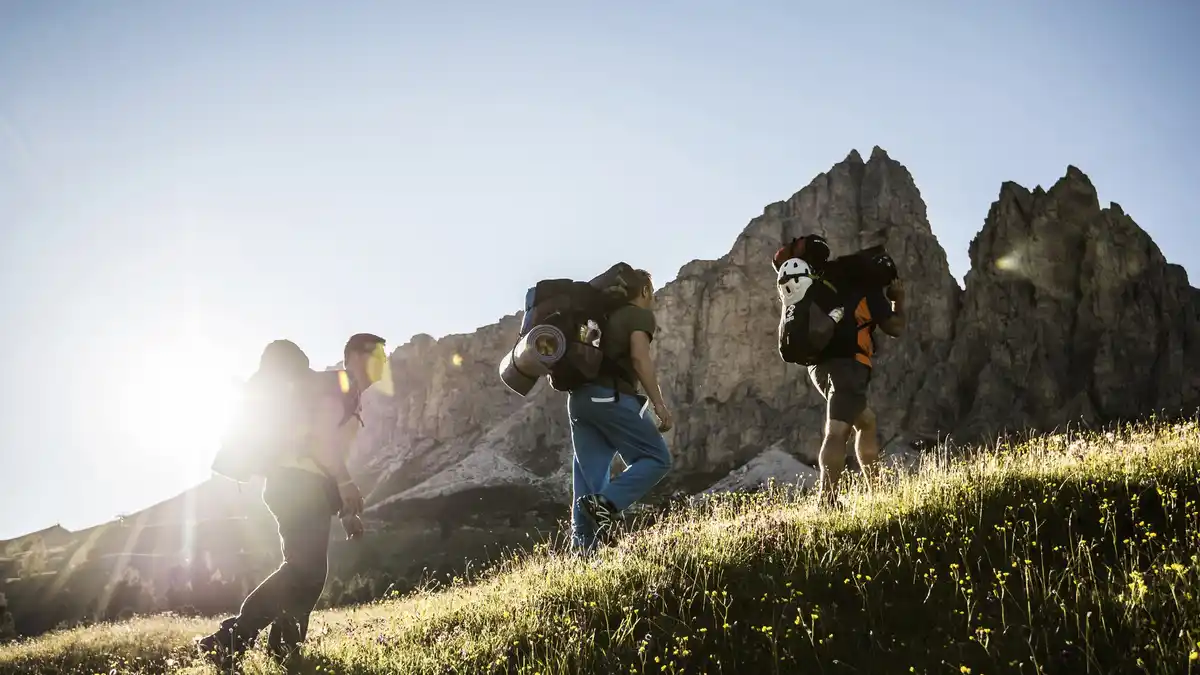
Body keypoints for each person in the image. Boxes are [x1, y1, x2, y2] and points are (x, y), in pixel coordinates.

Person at [197, 332, 388, 667]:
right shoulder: (339, 385)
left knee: (310, 574)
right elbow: (319, 441)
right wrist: (345, 483)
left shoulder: (347, 393)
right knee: (303, 570)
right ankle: (230, 640)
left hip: (304, 486)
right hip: (297, 484)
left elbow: (327, 453)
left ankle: (283, 649)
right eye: (379, 357)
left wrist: (345, 510)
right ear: (358, 356)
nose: (385, 365)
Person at [567, 268, 674, 553]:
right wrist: (659, 403)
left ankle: (583, 556)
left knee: (587, 481)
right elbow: (640, 359)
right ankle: (608, 503)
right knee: (657, 458)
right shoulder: (638, 314)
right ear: (644, 291)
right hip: (610, 397)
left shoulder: (601, 316)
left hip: (579, 402)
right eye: (651, 293)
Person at [808, 262, 905, 509]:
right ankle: (826, 502)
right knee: (838, 431)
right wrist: (897, 299)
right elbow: (896, 327)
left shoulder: (831, 288)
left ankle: (879, 493)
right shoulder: (868, 293)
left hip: (818, 367)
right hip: (848, 366)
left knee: (866, 421)